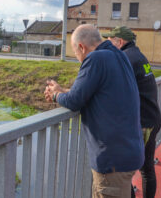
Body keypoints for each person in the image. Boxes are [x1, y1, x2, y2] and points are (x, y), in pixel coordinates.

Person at [44, 24, 144, 198]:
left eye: (76, 54)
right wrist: (63, 91)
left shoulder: (96, 59)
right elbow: (88, 91)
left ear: (82, 47)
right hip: (129, 151)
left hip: (113, 161)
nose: (78, 58)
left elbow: (74, 101)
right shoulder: (118, 55)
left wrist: (55, 96)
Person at [102, 26, 161, 198]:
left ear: (120, 42)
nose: (108, 46)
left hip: (142, 124)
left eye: (110, 42)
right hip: (152, 118)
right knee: (147, 169)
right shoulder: (139, 56)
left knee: (122, 171)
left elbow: (111, 89)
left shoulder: (126, 59)